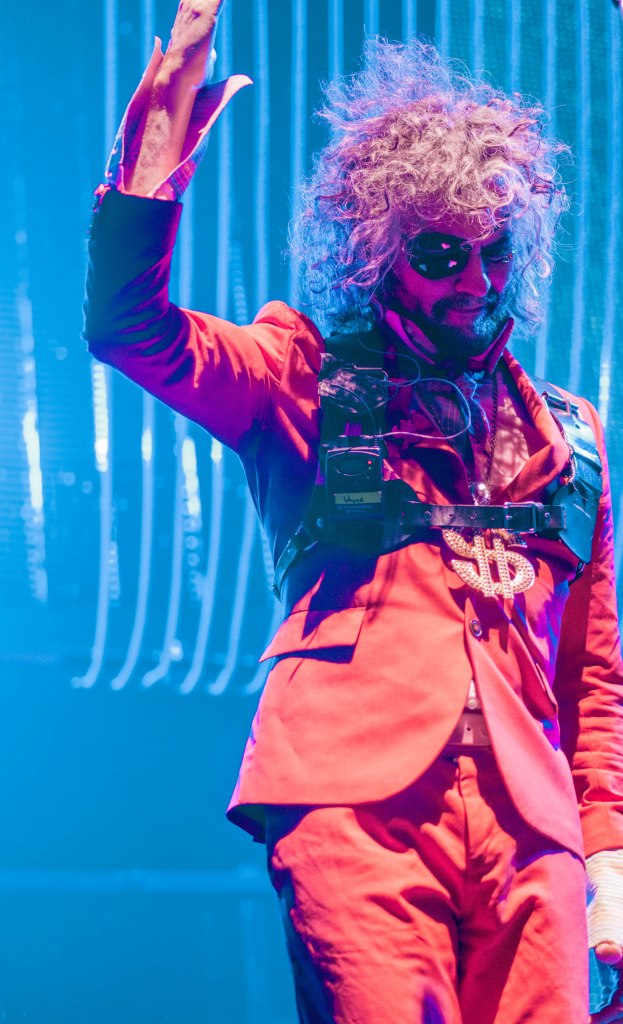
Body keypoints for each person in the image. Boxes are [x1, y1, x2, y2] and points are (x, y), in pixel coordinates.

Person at [83, 2, 623, 1021]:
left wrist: (606, 859)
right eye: (440, 254)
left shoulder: (570, 437)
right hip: (353, 799)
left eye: (495, 252)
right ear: (378, 253)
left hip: (532, 832)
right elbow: (134, 331)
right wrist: (149, 176)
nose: (474, 282)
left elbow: (591, 683)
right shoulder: (306, 373)